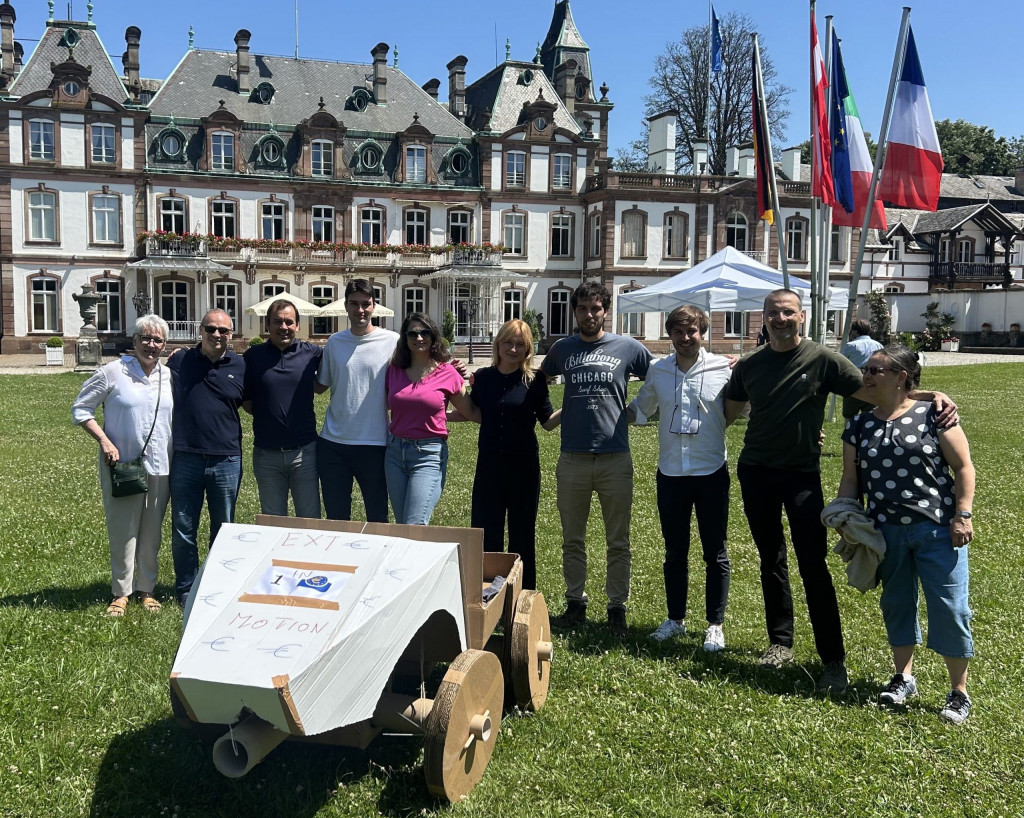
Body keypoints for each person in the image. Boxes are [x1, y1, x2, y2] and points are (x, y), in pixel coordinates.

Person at [724, 289, 956, 693]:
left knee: (812, 565)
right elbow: (728, 410)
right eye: (772, 313)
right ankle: (780, 643)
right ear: (763, 318)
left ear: (802, 316)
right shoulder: (751, 365)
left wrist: (927, 395)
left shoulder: (822, 359)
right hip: (755, 471)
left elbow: (873, 390)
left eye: (787, 312)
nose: (779, 319)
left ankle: (833, 660)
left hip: (800, 476)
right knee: (770, 560)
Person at [835, 345, 976, 723]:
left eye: (877, 370)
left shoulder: (935, 415)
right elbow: (851, 480)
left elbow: (963, 467)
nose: (868, 375)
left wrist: (963, 515)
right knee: (897, 603)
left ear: (902, 376)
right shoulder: (859, 425)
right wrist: (843, 515)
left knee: (950, 607)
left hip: (938, 529)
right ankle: (903, 677)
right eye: (866, 369)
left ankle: (958, 692)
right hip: (885, 532)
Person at [541, 281, 652, 636]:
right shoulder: (562, 349)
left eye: (596, 308)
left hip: (614, 457)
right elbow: (535, 380)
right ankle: (576, 602)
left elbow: (661, 379)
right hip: (572, 457)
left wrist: (637, 411)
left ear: (606, 311)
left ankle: (616, 607)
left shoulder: (628, 348)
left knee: (617, 539)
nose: (590, 315)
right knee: (573, 537)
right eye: (583, 308)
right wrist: (550, 416)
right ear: (574, 312)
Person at [628, 305, 734, 651]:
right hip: (671, 472)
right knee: (675, 552)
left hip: (711, 471)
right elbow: (639, 409)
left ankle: (715, 624)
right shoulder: (658, 371)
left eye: (692, 331)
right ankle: (675, 619)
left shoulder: (724, 368)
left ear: (703, 332)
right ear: (670, 335)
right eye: (678, 332)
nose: (686, 338)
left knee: (714, 552)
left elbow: (751, 407)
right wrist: (599, 409)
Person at [73, 315, 174, 616]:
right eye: (145, 337)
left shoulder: (168, 376)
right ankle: (121, 592)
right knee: (123, 530)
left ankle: (147, 589)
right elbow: (81, 408)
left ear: (164, 345)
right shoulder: (113, 372)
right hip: (123, 465)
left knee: (152, 531)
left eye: (157, 340)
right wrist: (105, 441)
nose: (151, 344)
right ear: (134, 340)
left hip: (160, 465)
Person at [469, 319, 560, 590]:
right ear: (498, 344)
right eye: (508, 342)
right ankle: (487, 593)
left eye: (520, 344)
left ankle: (522, 594)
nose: (513, 348)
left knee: (522, 535)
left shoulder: (534, 381)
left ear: (528, 349)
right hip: (489, 468)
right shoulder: (483, 378)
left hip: (524, 469)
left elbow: (547, 421)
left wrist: (573, 404)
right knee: (487, 533)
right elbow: (474, 413)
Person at [166, 307, 245, 605]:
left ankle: (216, 584)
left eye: (223, 330)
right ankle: (186, 588)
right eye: (210, 329)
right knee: (184, 528)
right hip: (186, 456)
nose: (216, 335)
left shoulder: (241, 365)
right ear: (200, 331)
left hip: (226, 458)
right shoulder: (181, 360)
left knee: (223, 529)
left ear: (231, 334)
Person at [316, 279, 399, 523]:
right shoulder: (334, 342)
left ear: (374, 306)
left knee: (377, 516)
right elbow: (321, 384)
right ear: (346, 306)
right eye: (354, 304)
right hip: (333, 443)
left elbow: (415, 371)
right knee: (336, 516)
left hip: (375, 443)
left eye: (366, 304)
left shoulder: (393, 341)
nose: (360, 310)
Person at [385, 312, 475, 525]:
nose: (419, 338)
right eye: (412, 333)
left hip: (428, 454)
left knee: (414, 526)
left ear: (433, 336)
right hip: (394, 453)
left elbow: (470, 412)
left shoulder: (447, 372)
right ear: (405, 338)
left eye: (424, 332)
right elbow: (388, 405)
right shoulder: (394, 370)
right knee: (402, 526)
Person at [243, 300, 322, 519]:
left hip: (304, 452)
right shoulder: (253, 356)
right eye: (277, 321)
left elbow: (326, 382)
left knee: (309, 520)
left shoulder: (313, 353)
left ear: (297, 325)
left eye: (289, 322)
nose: (283, 327)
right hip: (267, 454)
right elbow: (248, 402)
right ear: (267, 325)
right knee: (273, 523)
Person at [839, 319, 883, 419]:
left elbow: (840, 364)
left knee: (849, 417)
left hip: (853, 386)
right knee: (871, 417)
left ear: (854, 331)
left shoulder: (851, 346)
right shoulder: (879, 345)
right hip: (873, 385)